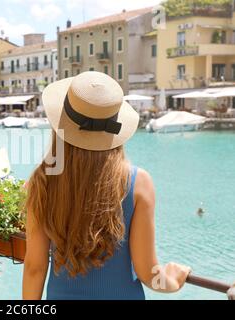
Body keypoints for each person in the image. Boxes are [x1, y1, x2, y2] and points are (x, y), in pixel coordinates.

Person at [23, 71, 191, 300]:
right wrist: (174, 279)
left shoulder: (42, 181)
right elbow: (147, 273)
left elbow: (34, 267)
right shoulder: (138, 183)